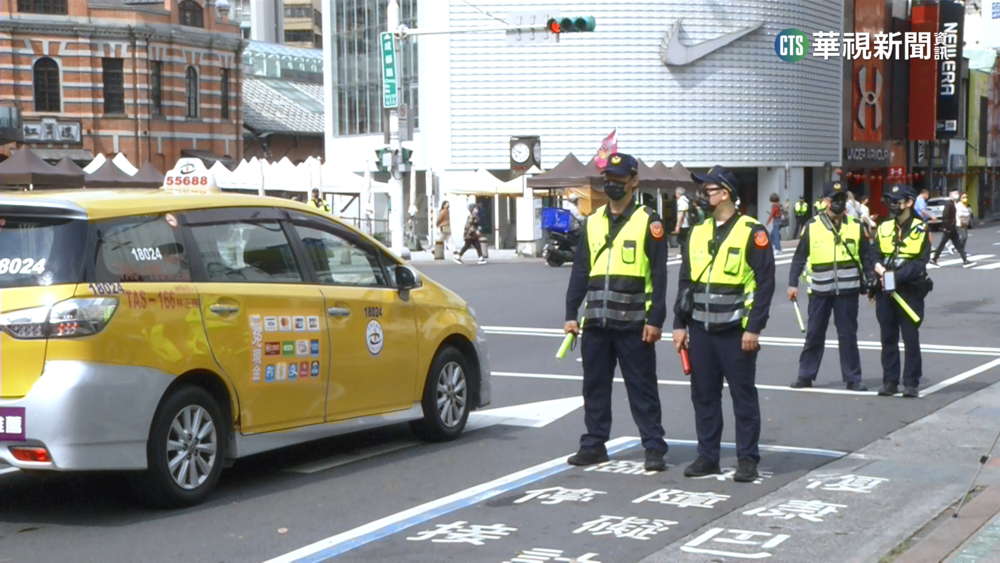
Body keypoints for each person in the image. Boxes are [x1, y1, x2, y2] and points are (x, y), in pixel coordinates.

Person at [564, 153, 670, 472]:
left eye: (618, 179)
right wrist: (571, 311)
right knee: (594, 385)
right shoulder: (593, 221)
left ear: (634, 182)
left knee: (642, 386)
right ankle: (594, 443)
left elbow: (660, 275)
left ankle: (653, 446)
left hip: (635, 323)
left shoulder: (649, 222)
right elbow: (580, 270)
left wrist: (656, 319)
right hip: (596, 320)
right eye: (607, 178)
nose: (611, 184)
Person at [672, 165, 775, 483]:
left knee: (743, 396)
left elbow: (765, 283)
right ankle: (708, 456)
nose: (702, 196)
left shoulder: (752, 231)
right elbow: (685, 280)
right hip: (700, 330)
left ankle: (747, 458)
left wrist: (754, 328)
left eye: (708, 190)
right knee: (703, 395)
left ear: (726, 193)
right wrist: (679, 324)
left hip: (735, 332)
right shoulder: (697, 232)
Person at [788, 181, 874, 391]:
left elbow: (867, 257)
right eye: (833, 198)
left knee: (848, 335)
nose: (837, 202)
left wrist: (872, 282)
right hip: (820, 291)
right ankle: (805, 375)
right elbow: (799, 257)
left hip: (848, 291)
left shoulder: (855, 226)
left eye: (841, 198)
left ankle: (853, 378)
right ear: (825, 201)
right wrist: (792, 284)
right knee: (815, 334)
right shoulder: (813, 226)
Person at [872, 184, 931, 398]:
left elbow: (920, 262)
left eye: (897, 201)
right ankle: (890, 381)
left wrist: (896, 277)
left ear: (909, 202)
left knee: (910, 337)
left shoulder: (920, 228)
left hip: (909, 292)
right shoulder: (883, 227)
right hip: (886, 292)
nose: (893, 205)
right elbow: (874, 254)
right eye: (890, 200)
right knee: (887, 337)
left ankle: (911, 382)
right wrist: (879, 270)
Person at [930, 190, 975, 268]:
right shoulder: (949, 204)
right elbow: (946, 216)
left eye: (957, 193)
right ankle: (934, 259)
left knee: (957, 245)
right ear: (950, 195)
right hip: (949, 229)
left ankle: (965, 260)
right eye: (955, 193)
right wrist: (947, 227)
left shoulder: (953, 203)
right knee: (943, 244)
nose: (957, 195)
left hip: (952, 228)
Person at [673, 187, 692, 258]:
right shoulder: (687, 200)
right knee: (684, 239)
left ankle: (684, 253)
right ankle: (683, 253)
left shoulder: (681, 201)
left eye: (676, 193)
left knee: (681, 240)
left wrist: (678, 225)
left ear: (678, 194)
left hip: (683, 224)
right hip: (687, 223)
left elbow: (681, 214)